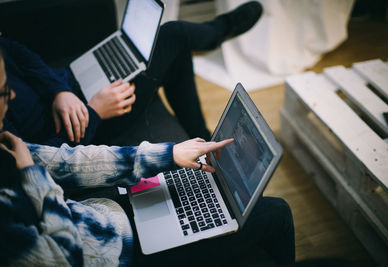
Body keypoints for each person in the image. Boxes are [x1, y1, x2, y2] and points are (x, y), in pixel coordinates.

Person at [0, 48, 295, 266]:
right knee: (277, 212)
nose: (11, 98)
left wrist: (169, 153)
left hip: (98, 216)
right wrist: (32, 175)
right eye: (3, 91)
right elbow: (65, 256)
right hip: (118, 255)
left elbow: (69, 162)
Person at [1, 1, 263, 147]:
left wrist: (59, 90)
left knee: (169, 45)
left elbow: (15, 51)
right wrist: (95, 111)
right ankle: (218, 31)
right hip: (83, 130)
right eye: (3, 93)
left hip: (67, 86)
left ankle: (202, 139)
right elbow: (43, 159)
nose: (10, 93)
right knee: (174, 36)